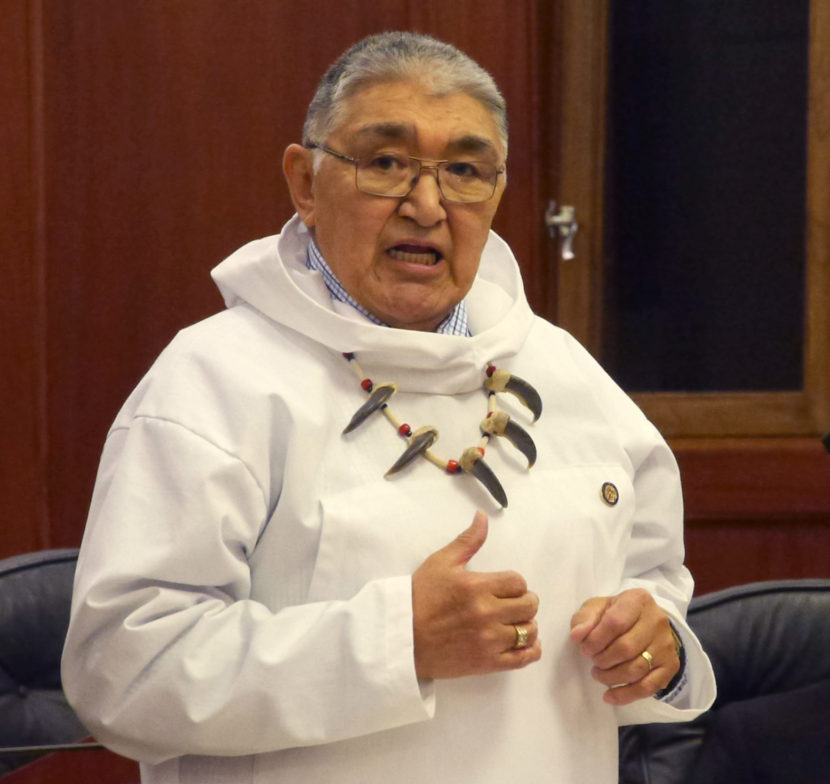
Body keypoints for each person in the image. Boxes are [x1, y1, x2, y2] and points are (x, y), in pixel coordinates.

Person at [62, 31, 715, 784]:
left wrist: (657, 646)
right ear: (305, 183)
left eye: (465, 171)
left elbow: (658, 588)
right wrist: (394, 642)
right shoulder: (216, 380)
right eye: (385, 164)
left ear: (497, 193)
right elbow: (125, 670)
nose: (427, 204)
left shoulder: (568, 376)